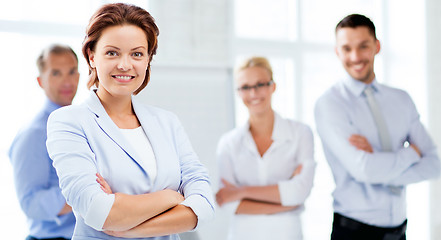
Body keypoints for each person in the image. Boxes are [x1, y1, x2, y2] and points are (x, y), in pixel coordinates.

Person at [45, 3, 214, 240]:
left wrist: (130, 225)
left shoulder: (167, 122)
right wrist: (172, 197)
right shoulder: (68, 122)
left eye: (137, 53)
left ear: (147, 60)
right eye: (112, 52)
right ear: (92, 56)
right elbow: (97, 212)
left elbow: (205, 205)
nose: (125, 65)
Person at [314, 14, 441, 240]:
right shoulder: (330, 104)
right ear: (337, 52)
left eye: (363, 46)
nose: (355, 57)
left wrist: (380, 167)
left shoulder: (401, 99)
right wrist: (410, 153)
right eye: (346, 48)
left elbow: (433, 163)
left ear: (377, 46)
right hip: (354, 231)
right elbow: (365, 170)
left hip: (399, 230)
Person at [216, 57, 316, 240]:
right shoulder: (229, 143)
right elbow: (225, 201)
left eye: (260, 84)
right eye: (245, 87)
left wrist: (241, 192)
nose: (253, 93)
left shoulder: (300, 133)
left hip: (287, 235)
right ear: (238, 92)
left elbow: (300, 191)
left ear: (273, 86)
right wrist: (286, 203)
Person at [8, 44, 79, 240]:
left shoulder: (82, 125)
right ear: (41, 81)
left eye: (72, 71)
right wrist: (85, 194)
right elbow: (31, 203)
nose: (67, 81)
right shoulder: (34, 134)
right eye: (56, 73)